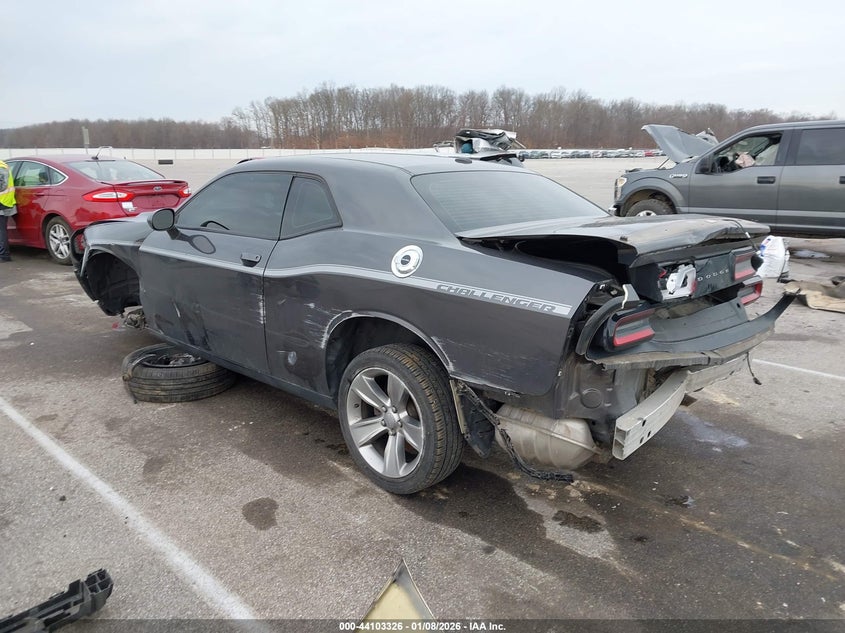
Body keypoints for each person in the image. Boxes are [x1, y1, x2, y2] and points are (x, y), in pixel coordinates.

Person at [0, 159, 16, 262]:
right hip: (4, 201)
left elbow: (3, 185)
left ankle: (4, 255)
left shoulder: (2, 167)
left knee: (1, 230)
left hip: (2, 202)